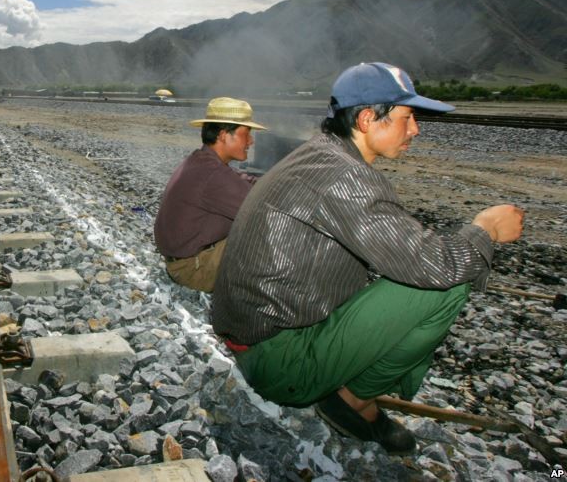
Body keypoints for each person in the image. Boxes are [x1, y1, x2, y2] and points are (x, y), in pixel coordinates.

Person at [211, 62, 524, 454]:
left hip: (255, 340)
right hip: (279, 362)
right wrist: (486, 228)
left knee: (408, 272)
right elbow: (438, 265)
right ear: (365, 119)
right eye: (407, 118)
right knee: (448, 284)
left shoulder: (319, 156)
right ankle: (353, 399)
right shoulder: (346, 177)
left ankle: (343, 384)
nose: (415, 129)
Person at [154, 97, 266, 292]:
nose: (251, 140)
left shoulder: (201, 161)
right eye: (246, 133)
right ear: (224, 135)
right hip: (194, 269)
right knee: (273, 230)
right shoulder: (213, 175)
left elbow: (237, 179)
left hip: (182, 261)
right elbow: (263, 210)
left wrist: (262, 181)